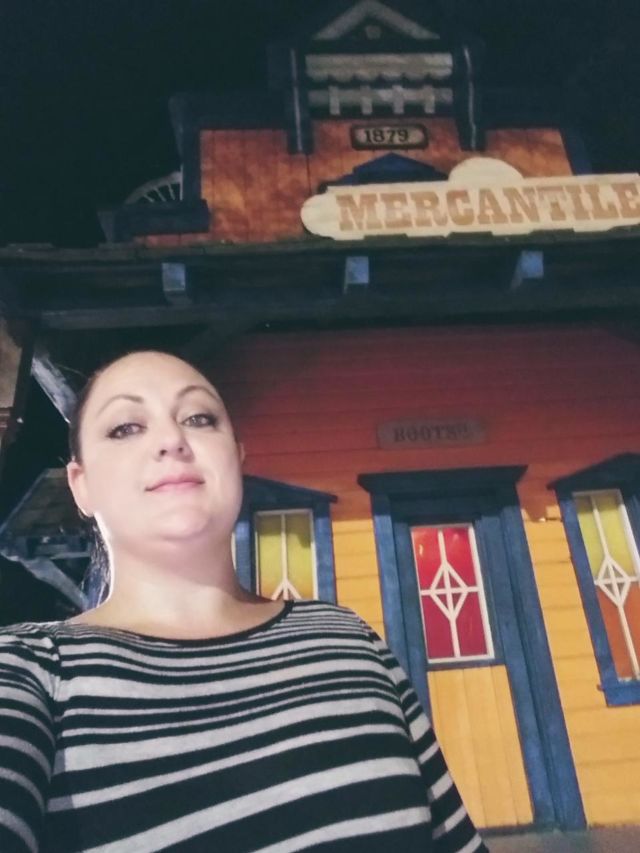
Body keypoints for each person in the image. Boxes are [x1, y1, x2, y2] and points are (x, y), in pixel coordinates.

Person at [0, 350, 488, 852]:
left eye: (198, 418)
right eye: (126, 427)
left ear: (237, 457)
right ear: (81, 486)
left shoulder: (349, 640)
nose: (172, 440)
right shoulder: (27, 671)